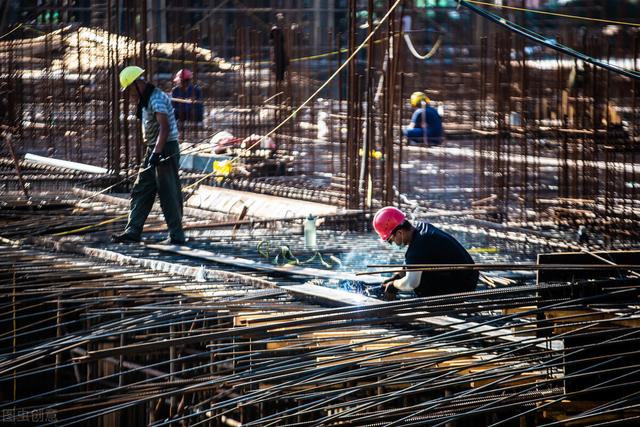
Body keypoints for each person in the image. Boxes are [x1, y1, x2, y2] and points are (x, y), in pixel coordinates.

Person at [112, 65, 185, 245]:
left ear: (137, 84)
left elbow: (165, 127)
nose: (129, 94)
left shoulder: (156, 98)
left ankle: (176, 236)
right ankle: (133, 231)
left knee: (168, 192)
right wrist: (153, 152)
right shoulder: (146, 99)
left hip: (165, 148)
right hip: (154, 149)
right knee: (142, 189)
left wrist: (157, 153)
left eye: (129, 89)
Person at [373, 206, 477, 300]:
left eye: (391, 240)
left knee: (420, 284)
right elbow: (413, 263)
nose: (393, 243)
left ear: (400, 232)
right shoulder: (420, 229)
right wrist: (397, 277)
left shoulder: (418, 246)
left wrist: (394, 285)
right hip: (468, 277)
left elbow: (411, 283)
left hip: (462, 287)